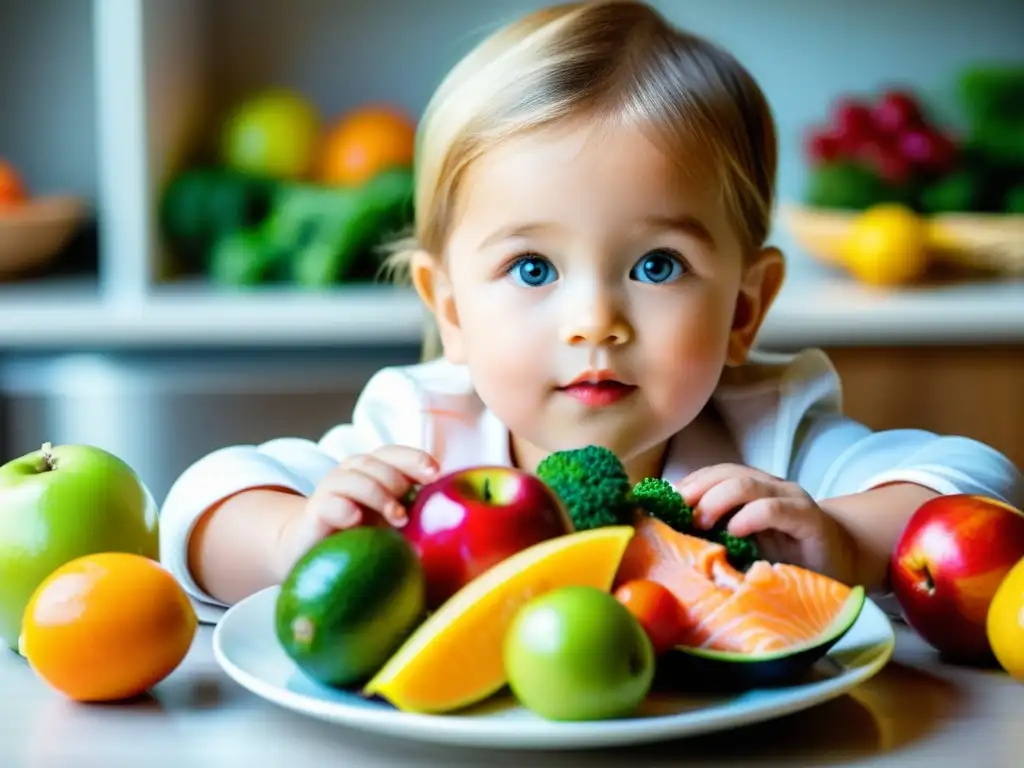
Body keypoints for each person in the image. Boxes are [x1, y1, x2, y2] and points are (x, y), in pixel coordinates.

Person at [159, 0, 1022, 622]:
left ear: (744, 309)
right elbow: (199, 502)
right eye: (532, 266)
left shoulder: (771, 442)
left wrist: (845, 538)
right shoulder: (423, 436)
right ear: (448, 308)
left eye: (657, 264)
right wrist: (287, 542)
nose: (595, 320)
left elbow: (979, 487)